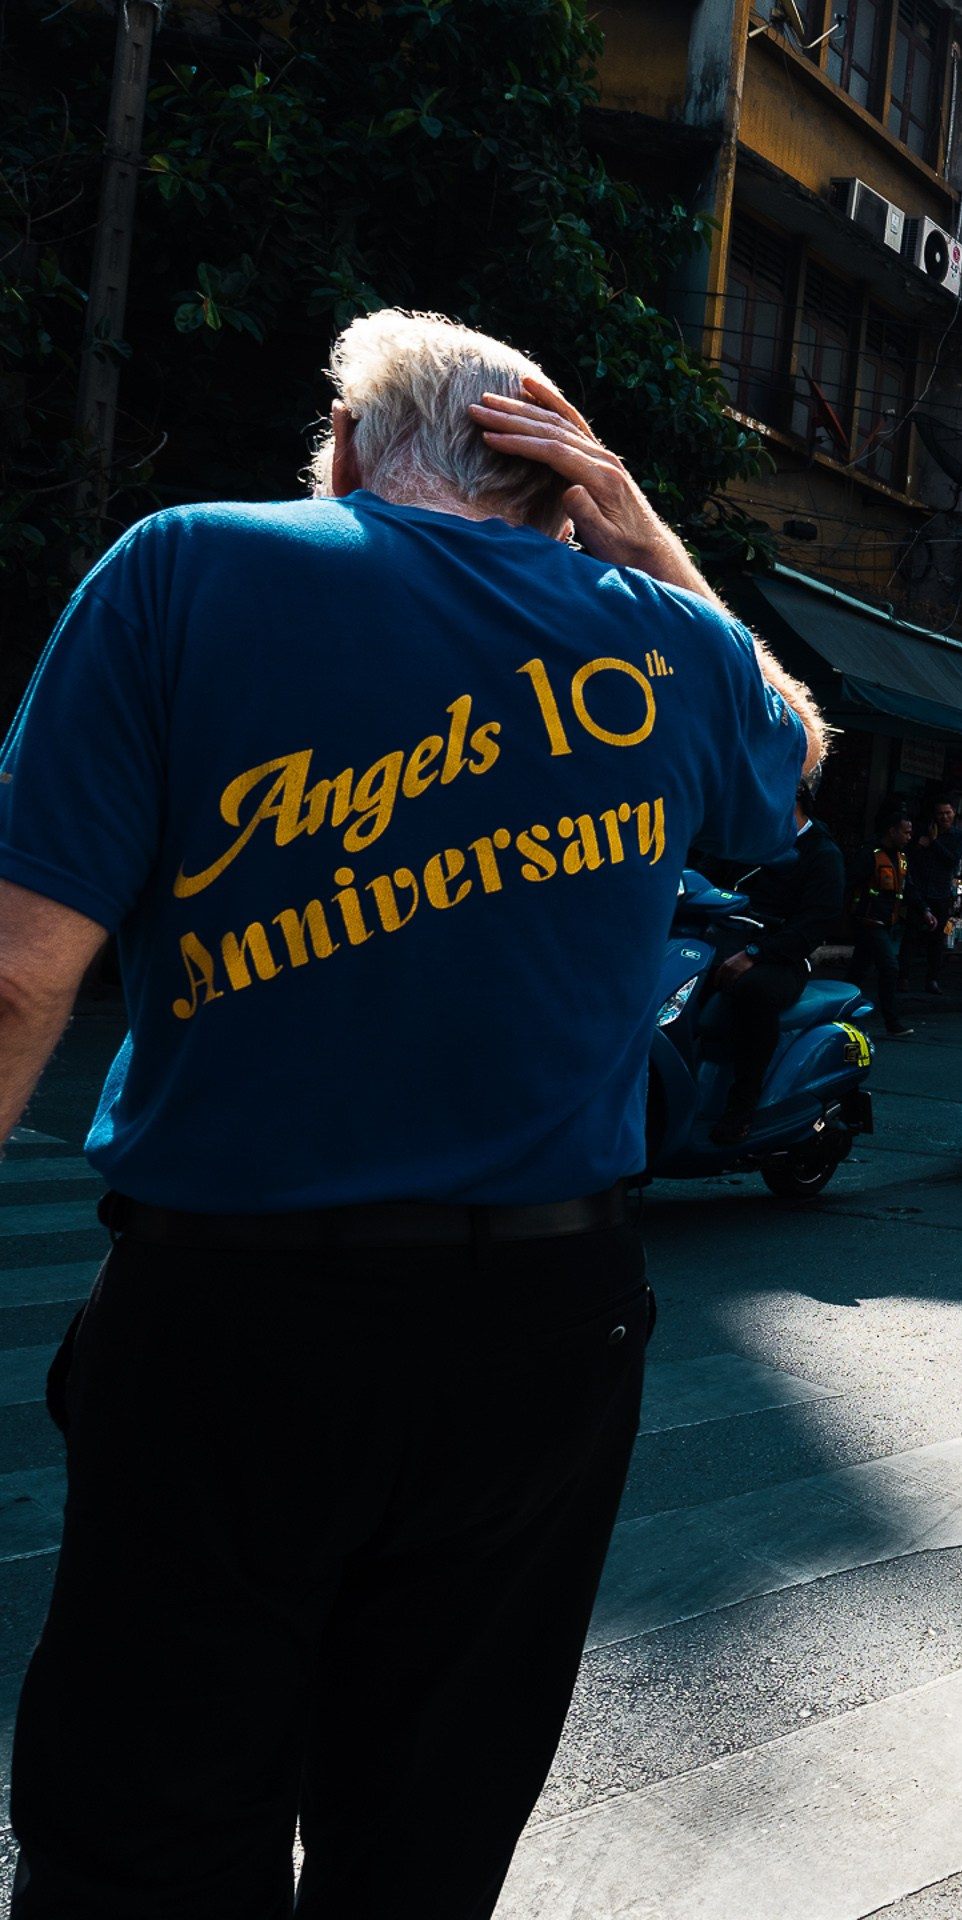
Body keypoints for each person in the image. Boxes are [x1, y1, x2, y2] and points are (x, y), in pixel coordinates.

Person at [0, 309, 825, 1916]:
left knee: (142, 1831)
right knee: (423, 1845)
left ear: (356, 445)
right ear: (554, 485)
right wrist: (647, 534)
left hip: (230, 1315)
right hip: (543, 1328)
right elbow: (793, 763)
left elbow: (22, 979)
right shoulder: (663, 640)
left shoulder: (184, 567)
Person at [699, 793, 847, 1145]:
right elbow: (703, 876)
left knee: (756, 991)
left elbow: (813, 926)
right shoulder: (744, 841)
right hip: (721, 945)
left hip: (782, 959)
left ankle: (743, 1106)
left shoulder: (823, 854)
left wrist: (756, 952)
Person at [851, 808, 916, 1037]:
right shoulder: (870, 854)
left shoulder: (901, 859)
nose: (909, 837)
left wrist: (925, 910)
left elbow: (908, 889)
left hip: (885, 924)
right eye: (905, 832)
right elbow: (851, 882)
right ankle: (892, 1022)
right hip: (869, 923)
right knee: (890, 968)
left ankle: (840, 1013)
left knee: (857, 972)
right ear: (892, 831)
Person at [903, 798, 961, 993]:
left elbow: (951, 860)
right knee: (910, 935)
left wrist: (934, 842)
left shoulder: (957, 836)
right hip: (920, 890)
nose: (944, 817)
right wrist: (921, 844)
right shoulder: (922, 832)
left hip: (940, 892)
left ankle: (932, 979)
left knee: (936, 941)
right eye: (940, 813)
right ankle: (903, 977)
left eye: (948, 813)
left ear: (953, 814)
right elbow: (911, 855)